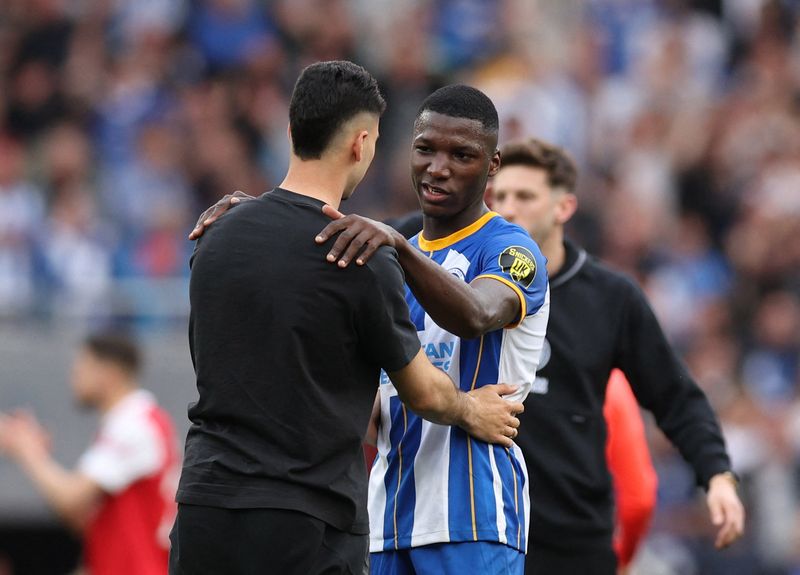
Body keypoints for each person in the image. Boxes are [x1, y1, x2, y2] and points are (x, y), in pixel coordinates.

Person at [171, 62, 526, 575]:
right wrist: (472, 411)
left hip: (204, 501)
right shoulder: (358, 253)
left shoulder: (216, 232)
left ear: (291, 130)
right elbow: (423, 392)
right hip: (302, 513)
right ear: (361, 144)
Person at [489, 137, 745, 574]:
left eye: (525, 196)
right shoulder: (464, 286)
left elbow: (674, 396)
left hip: (573, 540)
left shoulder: (611, 298)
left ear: (564, 207)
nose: (508, 209)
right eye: (499, 197)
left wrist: (717, 475)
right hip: (481, 530)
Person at [0, 332, 179, 575]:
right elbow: (80, 518)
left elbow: (70, 499)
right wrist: (35, 454)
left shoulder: (134, 425)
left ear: (108, 372)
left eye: (81, 367)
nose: (74, 377)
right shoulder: (133, 422)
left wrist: (25, 448)